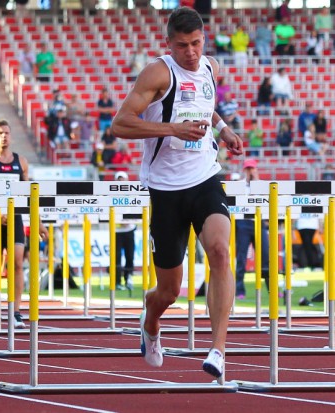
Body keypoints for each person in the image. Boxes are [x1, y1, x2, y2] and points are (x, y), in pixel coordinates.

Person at [110, 7, 243, 379]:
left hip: (204, 178)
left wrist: (224, 130)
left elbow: (207, 107)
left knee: (219, 249)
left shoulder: (212, 67)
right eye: (183, 46)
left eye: (197, 43)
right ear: (169, 43)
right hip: (165, 188)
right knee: (169, 291)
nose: (191, 52)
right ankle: (150, 323)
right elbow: (121, 124)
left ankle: (217, 349)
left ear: (205, 39)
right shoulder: (157, 72)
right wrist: (172, 129)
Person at [0, 120, 49, 329]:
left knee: (16, 264)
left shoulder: (21, 162)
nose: (4, 136)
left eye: (7, 132)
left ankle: (15, 312)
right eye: (0, 133)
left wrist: (39, 222)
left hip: (15, 218)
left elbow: (30, 195)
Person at [234, 158, 269, 300]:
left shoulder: (262, 185)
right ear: (244, 170)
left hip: (258, 222)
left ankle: (272, 289)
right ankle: (239, 291)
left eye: (252, 169)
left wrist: (256, 182)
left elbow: (267, 201)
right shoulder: (238, 185)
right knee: (241, 258)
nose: (250, 171)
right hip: (243, 222)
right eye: (248, 169)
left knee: (266, 258)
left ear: (256, 169)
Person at [113, 170, 136, 293]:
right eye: (119, 179)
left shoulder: (132, 194)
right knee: (116, 257)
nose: (121, 182)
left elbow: (137, 209)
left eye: (123, 179)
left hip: (129, 229)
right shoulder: (112, 195)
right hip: (116, 231)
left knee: (130, 256)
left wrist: (128, 220)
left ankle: (128, 279)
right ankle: (116, 282)